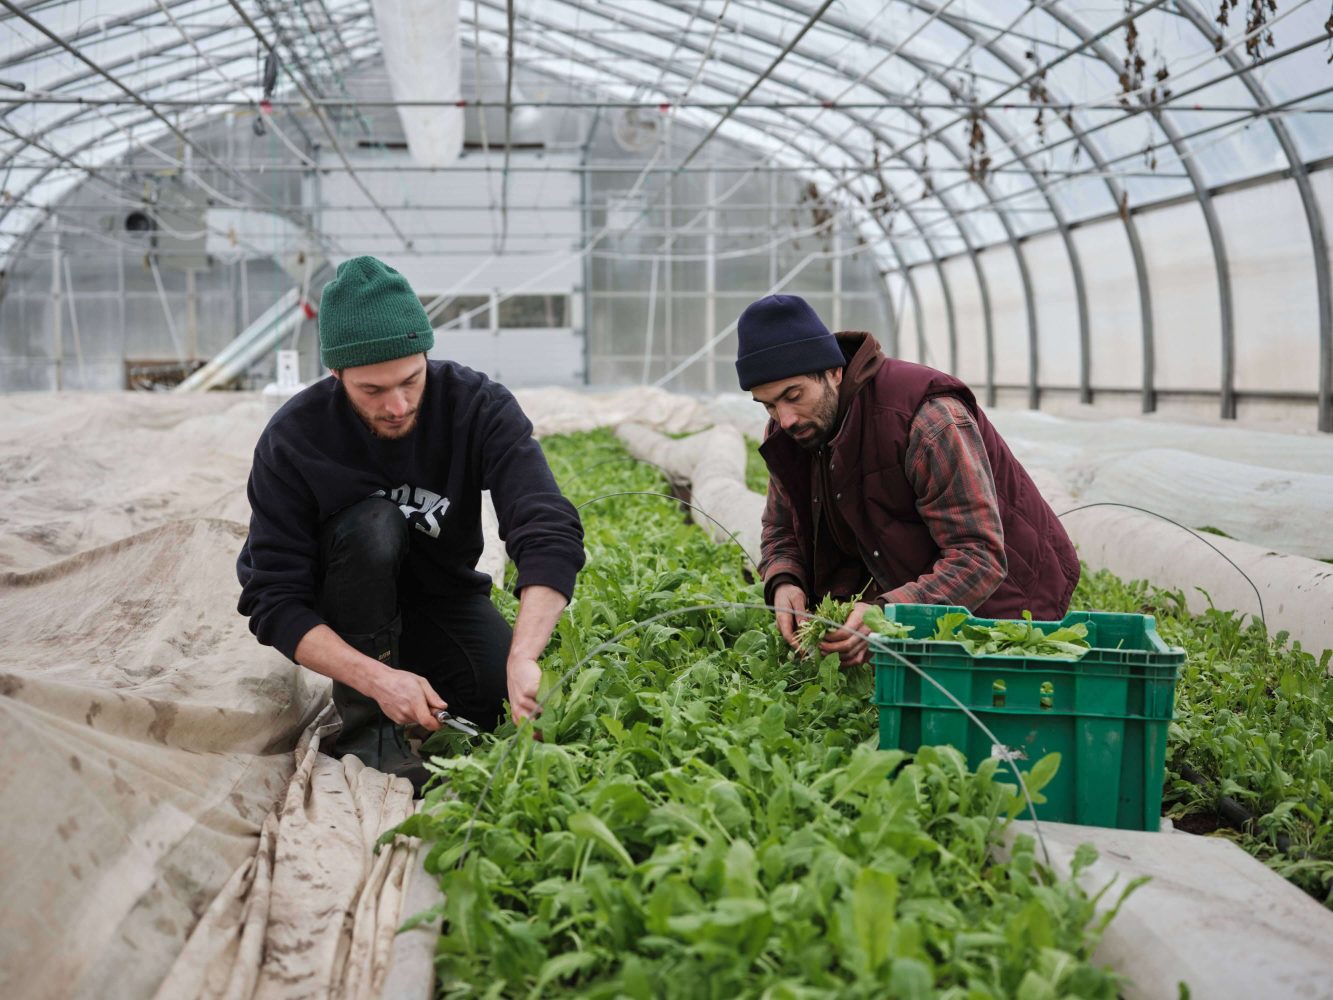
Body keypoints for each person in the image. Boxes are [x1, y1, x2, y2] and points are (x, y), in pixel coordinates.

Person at [237, 256, 585, 793]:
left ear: (426, 355)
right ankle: (366, 729)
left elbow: (546, 524)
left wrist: (523, 655)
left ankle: (418, 683)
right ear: (336, 374)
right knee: (375, 525)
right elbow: (272, 598)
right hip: (345, 613)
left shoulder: (477, 406)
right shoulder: (294, 439)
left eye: (410, 380)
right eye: (371, 391)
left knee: (497, 702)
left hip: (440, 598)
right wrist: (376, 681)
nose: (397, 405)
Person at [736, 294, 1080, 669]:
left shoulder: (927, 419)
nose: (784, 419)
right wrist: (784, 579)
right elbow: (781, 525)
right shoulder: (795, 431)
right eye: (768, 404)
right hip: (915, 596)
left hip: (1007, 608)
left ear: (833, 371)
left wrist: (889, 613)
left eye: (793, 396)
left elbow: (977, 555)